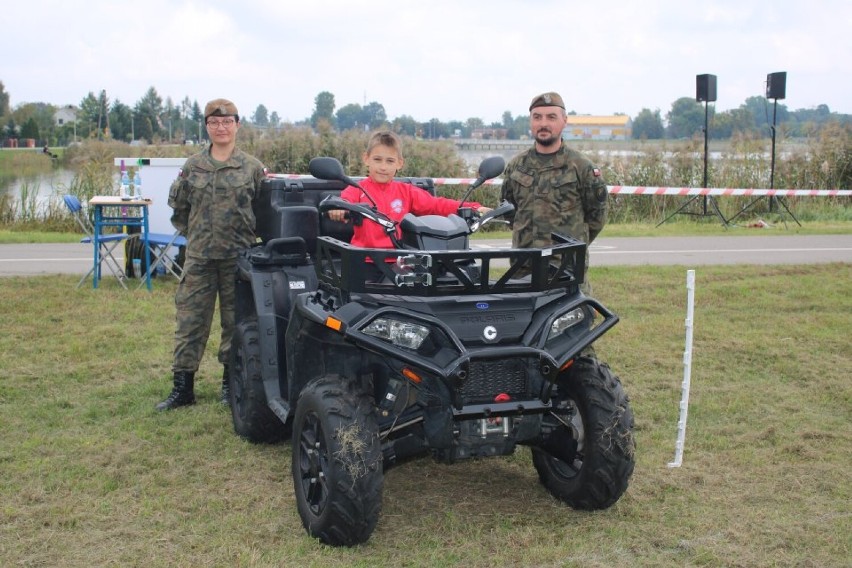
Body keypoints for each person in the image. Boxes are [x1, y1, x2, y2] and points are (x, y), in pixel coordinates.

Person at [156, 98, 267, 411]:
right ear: (206, 126)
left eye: (227, 121)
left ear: (237, 125)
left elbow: (264, 211)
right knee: (190, 322)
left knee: (236, 324)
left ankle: (230, 386)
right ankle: (183, 388)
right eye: (214, 122)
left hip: (238, 259)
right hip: (201, 259)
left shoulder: (252, 168)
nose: (221, 127)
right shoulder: (193, 166)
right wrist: (200, 236)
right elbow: (180, 211)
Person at [327, 130, 491, 277]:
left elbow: (437, 205)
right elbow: (342, 202)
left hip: (402, 261)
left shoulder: (406, 191)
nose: (383, 167)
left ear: (400, 163)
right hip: (365, 261)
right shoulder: (357, 189)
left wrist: (474, 207)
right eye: (378, 159)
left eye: (390, 161)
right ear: (366, 159)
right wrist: (338, 209)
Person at [501, 91, 608, 294]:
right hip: (522, 269)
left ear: (564, 121)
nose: (544, 124)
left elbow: (596, 217)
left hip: (566, 269)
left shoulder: (582, 167)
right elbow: (510, 212)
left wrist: (573, 244)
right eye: (537, 117)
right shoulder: (517, 166)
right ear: (530, 121)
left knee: (574, 323)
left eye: (551, 117)